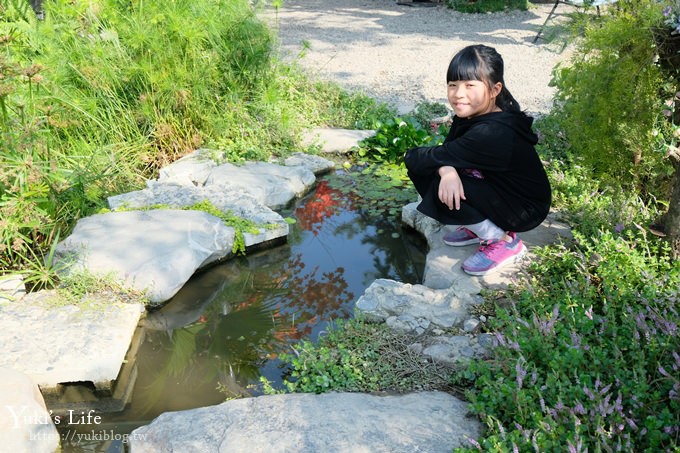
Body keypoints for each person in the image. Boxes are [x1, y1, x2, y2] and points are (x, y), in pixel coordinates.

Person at [404, 44, 551, 276]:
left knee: (429, 174)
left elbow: (416, 158)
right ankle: (481, 227)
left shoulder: (492, 133)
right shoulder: (477, 114)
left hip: (524, 208)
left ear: (494, 90)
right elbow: (448, 152)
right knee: (441, 173)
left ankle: (502, 240)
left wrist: (443, 169)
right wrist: (448, 171)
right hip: (504, 192)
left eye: (470, 85)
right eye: (453, 85)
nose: (458, 94)